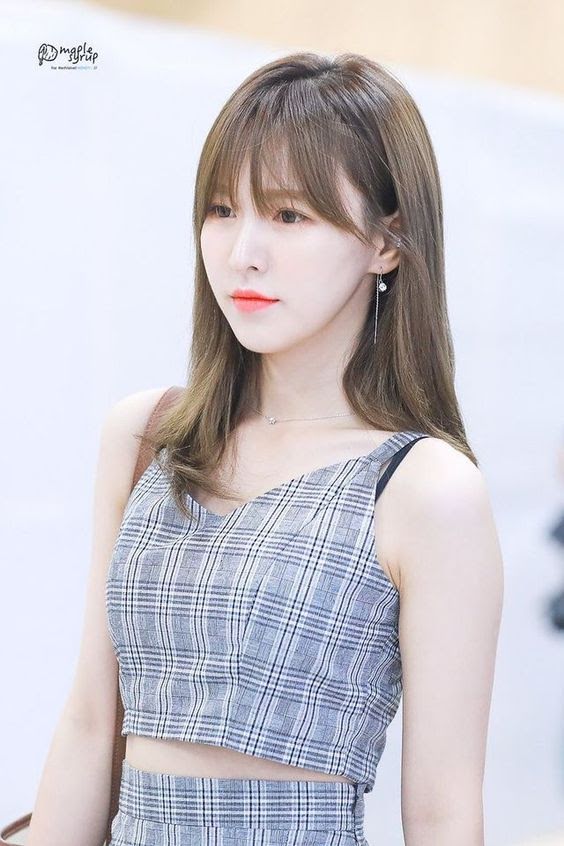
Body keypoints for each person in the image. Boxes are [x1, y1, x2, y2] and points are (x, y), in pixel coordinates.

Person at [27, 51, 504, 846]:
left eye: (289, 215)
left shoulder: (424, 488)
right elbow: (88, 723)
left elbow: (443, 813)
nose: (242, 250)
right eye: (221, 209)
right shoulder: (148, 437)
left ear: (387, 241)